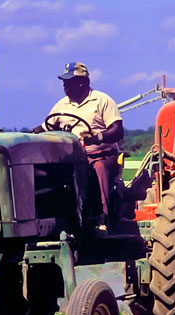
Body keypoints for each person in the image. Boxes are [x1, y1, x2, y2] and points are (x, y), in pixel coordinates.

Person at [35, 62, 123, 228]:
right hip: (71, 157)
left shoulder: (102, 100)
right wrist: (30, 134)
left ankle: (102, 217)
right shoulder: (62, 105)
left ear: (83, 83)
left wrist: (97, 137)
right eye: (64, 82)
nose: (65, 86)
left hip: (100, 154)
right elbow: (47, 126)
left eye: (69, 82)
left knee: (99, 168)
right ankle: (51, 216)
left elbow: (118, 130)